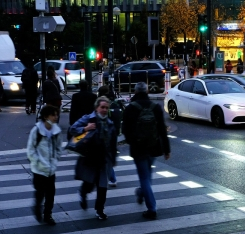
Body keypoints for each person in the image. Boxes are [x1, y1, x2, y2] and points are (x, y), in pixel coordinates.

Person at [122, 82, 171, 220]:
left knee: (144, 177)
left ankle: (151, 208)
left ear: (135, 91)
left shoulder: (130, 108)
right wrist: (166, 149)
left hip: (138, 148)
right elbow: (162, 129)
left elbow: (125, 129)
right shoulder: (155, 107)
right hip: (154, 146)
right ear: (147, 91)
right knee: (147, 175)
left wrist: (132, 141)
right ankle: (141, 192)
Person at [69, 96, 117, 220]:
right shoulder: (88, 118)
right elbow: (72, 129)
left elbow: (113, 142)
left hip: (103, 159)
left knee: (102, 187)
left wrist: (113, 158)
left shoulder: (110, 123)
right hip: (90, 157)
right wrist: (85, 128)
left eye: (106, 108)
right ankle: (83, 193)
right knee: (89, 183)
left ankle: (99, 210)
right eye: (102, 107)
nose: (104, 110)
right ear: (96, 108)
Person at [27, 105, 62, 225]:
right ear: (46, 116)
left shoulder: (56, 130)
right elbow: (30, 150)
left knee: (51, 194)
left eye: (56, 114)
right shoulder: (36, 130)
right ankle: (37, 208)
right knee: (40, 193)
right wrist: (37, 162)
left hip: (51, 170)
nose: (56, 117)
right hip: (39, 170)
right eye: (53, 115)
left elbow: (58, 147)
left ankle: (48, 215)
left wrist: (55, 160)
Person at [97, 85, 122, 188]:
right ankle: (110, 178)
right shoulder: (114, 100)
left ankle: (111, 178)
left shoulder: (101, 102)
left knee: (105, 158)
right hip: (114, 131)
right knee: (107, 157)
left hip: (104, 133)